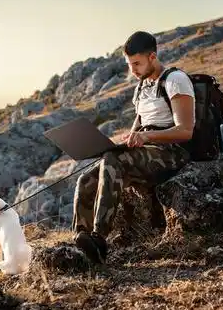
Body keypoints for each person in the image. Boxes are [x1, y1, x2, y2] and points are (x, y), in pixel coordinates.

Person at [72, 30, 196, 263]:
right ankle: (81, 238)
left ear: (152, 57)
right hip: (146, 151)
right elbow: (138, 126)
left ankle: (99, 239)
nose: (133, 70)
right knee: (86, 179)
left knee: (113, 161)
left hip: (172, 152)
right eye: (130, 64)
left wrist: (147, 138)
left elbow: (185, 131)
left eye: (137, 63)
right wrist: (125, 141)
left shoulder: (175, 80)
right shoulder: (141, 87)